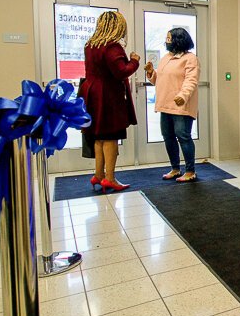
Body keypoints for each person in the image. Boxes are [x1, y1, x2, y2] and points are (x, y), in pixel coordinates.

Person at [78, 11, 140, 193]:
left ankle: (98, 175)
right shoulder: (112, 47)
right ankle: (110, 178)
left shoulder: (90, 45)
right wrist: (134, 62)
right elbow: (121, 71)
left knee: (98, 136)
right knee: (111, 137)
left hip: (91, 95)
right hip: (108, 97)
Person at [144, 28, 200, 182]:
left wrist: (182, 95)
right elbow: (160, 81)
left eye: (169, 38)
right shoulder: (165, 58)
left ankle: (190, 171)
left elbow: (191, 80)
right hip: (165, 105)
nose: (166, 41)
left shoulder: (190, 58)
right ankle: (175, 168)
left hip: (181, 106)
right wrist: (151, 73)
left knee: (183, 136)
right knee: (168, 137)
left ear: (178, 39)